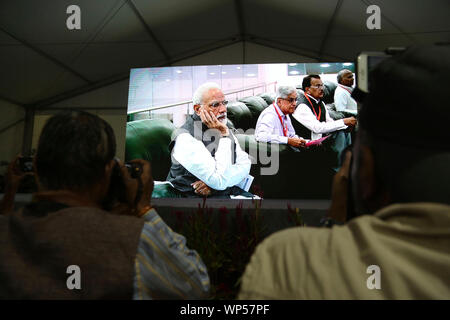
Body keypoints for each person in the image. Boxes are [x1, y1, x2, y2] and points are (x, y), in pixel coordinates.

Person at [238, 45, 450, 299]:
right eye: (297, 96)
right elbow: (300, 130)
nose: (297, 102)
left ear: (363, 171)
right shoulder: (289, 111)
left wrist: (335, 220)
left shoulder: (286, 259)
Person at [0, 110, 210, 299]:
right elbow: (197, 284)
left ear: (35, 166)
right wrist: (143, 208)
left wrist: (9, 195)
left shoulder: (6, 231)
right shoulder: (134, 240)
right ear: (108, 172)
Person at [167, 82, 252, 198]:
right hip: (191, 200)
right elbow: (220, 181)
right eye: (215, 105)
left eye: (224, 103)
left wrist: (214, 186)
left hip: (219, 193)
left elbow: (245, 165)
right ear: (198, 109)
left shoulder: (222, 126)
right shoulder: (185, 138)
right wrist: (224, 136)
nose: (223, 109)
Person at [292, 74, 357, 141]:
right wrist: (343, 121)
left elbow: (329, 122)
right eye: (317, 86)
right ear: (307, 89)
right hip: (307, 143)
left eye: (322, 85)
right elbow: (317, 128)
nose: (322, 89)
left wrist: (345, 126)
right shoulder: (302, 106)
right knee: (339, 134)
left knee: (344, 132)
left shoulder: (320, 102)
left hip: (321, 139)